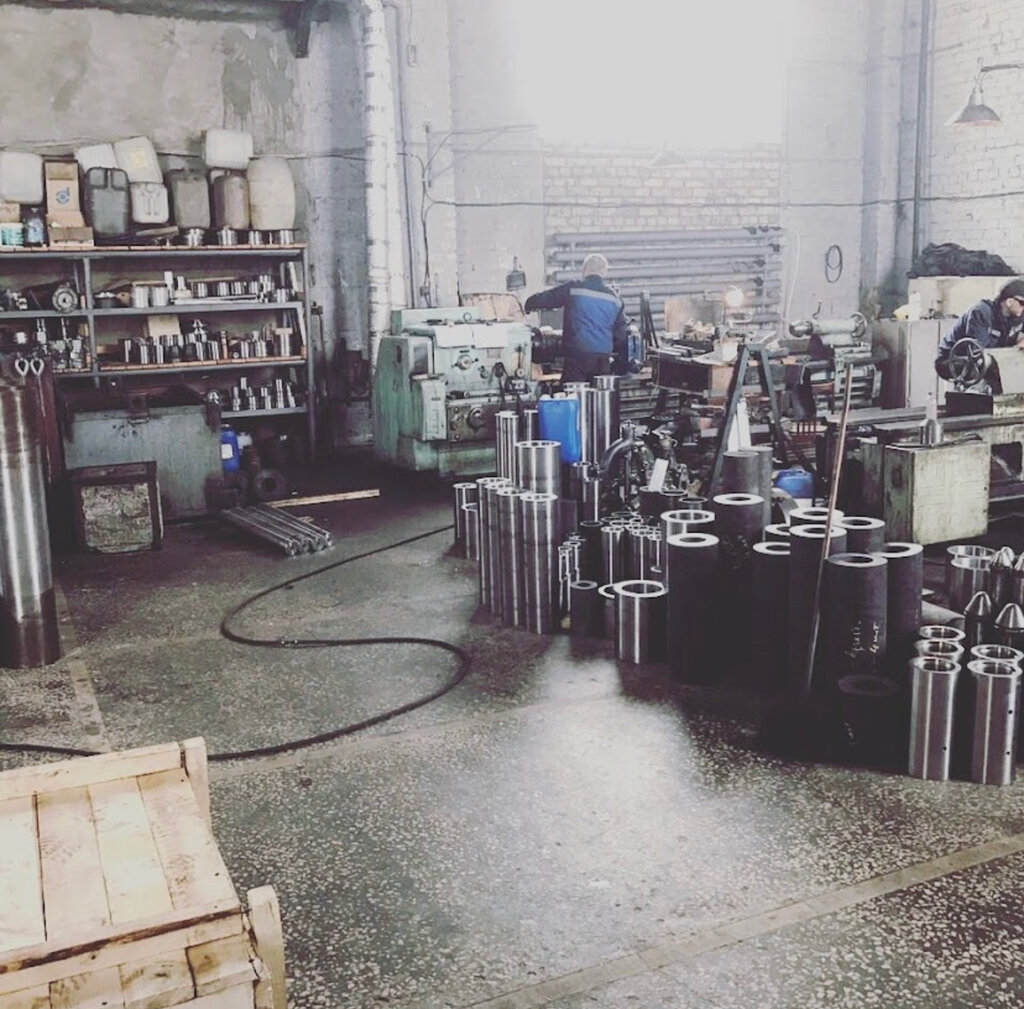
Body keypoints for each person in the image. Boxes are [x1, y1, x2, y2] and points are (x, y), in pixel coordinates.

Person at [524, 253, 629, 383]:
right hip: (602, 359)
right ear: (604, 272)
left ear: (585, 270)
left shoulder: (574, 289)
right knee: (599, 393)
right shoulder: (615, 299)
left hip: (577, 357)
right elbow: (621, 335)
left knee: (572, 391)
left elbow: (548, 298)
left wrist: (529, 303)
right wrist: (622, 364)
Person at [935, 278, 1024, 380]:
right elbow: (977, 353)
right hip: (952, 360)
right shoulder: (982, 312)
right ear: (1009, 301)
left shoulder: (1019, 315)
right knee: (986, 364)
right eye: (1022, 303)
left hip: (989, 358)